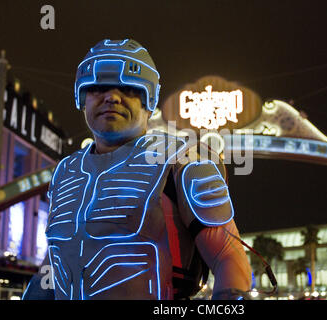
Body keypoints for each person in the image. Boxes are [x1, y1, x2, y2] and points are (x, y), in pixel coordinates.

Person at [22, 38, 252, 300]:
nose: (112, 97)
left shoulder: (184, 161)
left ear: (148, 100)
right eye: (98, 87)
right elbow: (55, 264)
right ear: (82, 97)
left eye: (128, 89)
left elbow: (229, 260)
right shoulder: (66, 171)